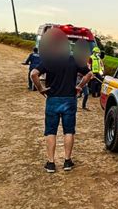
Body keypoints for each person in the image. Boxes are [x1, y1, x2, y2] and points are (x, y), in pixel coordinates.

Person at [30, 29, 93, 173]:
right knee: (68, 131)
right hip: (69, 99)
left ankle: (51, 163)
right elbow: (89, 74)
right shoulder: (73, 60)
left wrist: (41, 88)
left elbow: (34, 74)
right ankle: (67, 161)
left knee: (50, 132)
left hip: (52, 99)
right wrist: (79, 86)